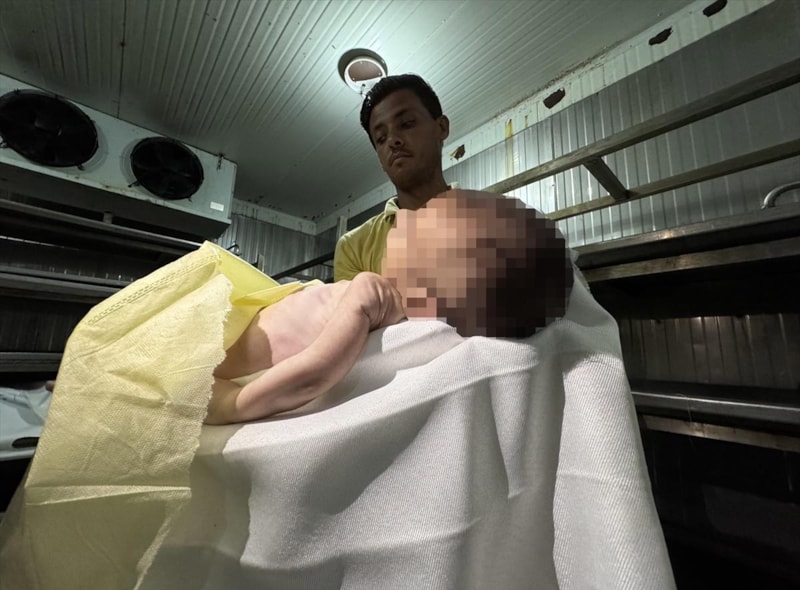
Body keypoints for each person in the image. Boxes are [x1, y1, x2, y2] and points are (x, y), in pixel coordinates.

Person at [207, 191, 572, 425]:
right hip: (227, 336)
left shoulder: (372, 295)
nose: (408, 221)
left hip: (219, 360)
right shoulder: (378, 297)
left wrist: (235, 404)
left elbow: (314, 375)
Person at [333, 74, 453, 282]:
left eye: (406, 124)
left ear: (441, 127)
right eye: (381, 138)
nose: (392, 141)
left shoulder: (498, 222)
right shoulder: (354, 247)